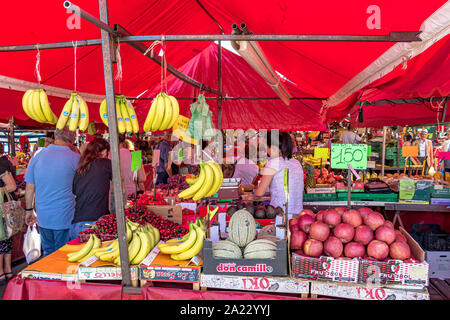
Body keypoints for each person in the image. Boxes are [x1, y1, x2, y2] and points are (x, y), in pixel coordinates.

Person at [24, 127, 80, 257]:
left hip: (43, 217)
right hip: (65, 216)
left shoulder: (38, 155)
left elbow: (30, 187)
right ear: (74, 138)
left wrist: (28, 210)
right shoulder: (75, 158)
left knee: (48, 254)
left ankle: (48, 277)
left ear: (55, 135)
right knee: (63, 256)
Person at [253, 131, 304, 217]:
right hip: (298, 216)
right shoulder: (297, 163)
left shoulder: (272, 163)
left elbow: (259, 193)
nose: (266, 152)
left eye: (266, 148)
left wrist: (250, 197)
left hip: (280, 216)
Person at [70, 138, 112, 240]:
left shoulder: (81, 168)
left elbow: (74, 191)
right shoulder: (105, 163)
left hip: (77, 224)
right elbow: (120, 182)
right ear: (104, 151)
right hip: (94, 224)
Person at [0, 148, 17, 285]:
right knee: (5, 238)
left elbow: (11, 186)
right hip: (5, 207)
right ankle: (7, 270)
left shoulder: (1, 164)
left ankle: (2, 271)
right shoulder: (4, 162)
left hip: (3, 207)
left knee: (2, 237)